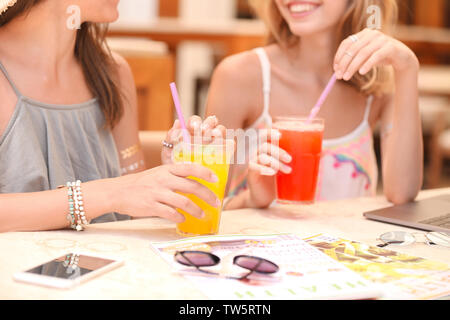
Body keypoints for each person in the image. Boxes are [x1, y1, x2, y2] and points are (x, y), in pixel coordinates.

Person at [0, 0, 225, 232]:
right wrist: (110, 193)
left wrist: (172, 175)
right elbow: (119, 192)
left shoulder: (113, 74)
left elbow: (133, 209)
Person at [206, 0, 423, 210]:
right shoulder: (238, 76)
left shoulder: (378, 84)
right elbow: (206, 206)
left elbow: (402, 193)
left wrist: (407, 67)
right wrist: (250, 200)